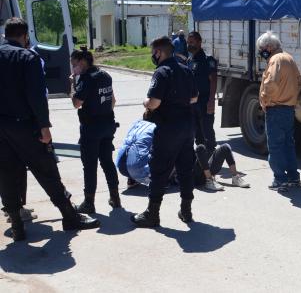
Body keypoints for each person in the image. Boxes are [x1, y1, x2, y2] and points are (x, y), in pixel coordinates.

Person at [0, 18, 99, 241]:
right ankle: (69, 216)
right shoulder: (28, 56)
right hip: (25, 126)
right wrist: (44, 127)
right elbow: (36, 96)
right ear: (25, 36)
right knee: (46, 171)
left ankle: (17, 226)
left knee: (6, 173)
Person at [132, 36, 198, 228]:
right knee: (185, 169)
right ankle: (186, 210)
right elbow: (194, 98)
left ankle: (152, 214)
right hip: (187, 126)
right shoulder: (186, 70)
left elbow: (154, 103)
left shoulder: (161, 72)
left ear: (159, 52)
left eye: (154, 52)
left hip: (169, 128)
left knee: (159, 169)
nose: (153, 56)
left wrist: (146, 102)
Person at [186, 31, 249, 190]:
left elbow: (213, 80)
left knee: (209, 139)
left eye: (192, 41)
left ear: (200, 42)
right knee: (198, 138)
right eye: (188, 42)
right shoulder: (189, 61)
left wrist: (211, 101)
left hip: (205, 104)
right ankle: (204, 164)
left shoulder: (208, 61)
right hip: (192, 106)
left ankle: (211, 164)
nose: (190, 44)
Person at [70, 47, 121, 213]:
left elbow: (76, 103)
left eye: (74, 64)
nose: (73, 68)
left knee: (90, 165)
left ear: (83, 62)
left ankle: (89, 202)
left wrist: (72, 84)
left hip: (91, 128)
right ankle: (115, 197)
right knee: (107, 161)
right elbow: (113, 100)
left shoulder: (86, 78)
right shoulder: (105, 75)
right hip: (107, 125)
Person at [257, 31, 301, 192]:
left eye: (262, 48)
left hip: (275, 108)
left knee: (275, 146)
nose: (261, 51)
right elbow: (299, 81)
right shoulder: (288, 58)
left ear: (269, 47)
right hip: (289, 109)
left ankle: (280, 179)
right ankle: (293, 178)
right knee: (288, 145)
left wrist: (264, 100)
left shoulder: (275, 60)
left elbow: (271, 83)